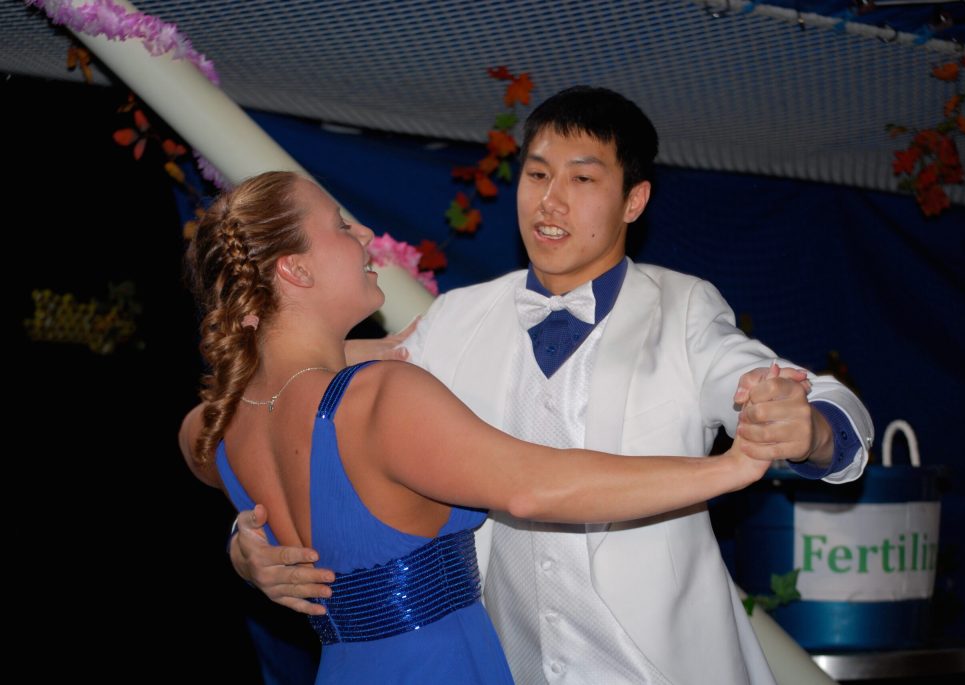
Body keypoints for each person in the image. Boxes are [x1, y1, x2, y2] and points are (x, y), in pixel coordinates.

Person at [231, 87, 875, 684]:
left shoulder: (682, 309)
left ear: (634, 200)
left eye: (583, 179)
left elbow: (796, 392)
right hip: (509, 666)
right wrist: (246, 541)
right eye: (537, 175)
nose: (550, 200)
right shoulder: (456, 316)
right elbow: (281, 387)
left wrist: (814, 429)